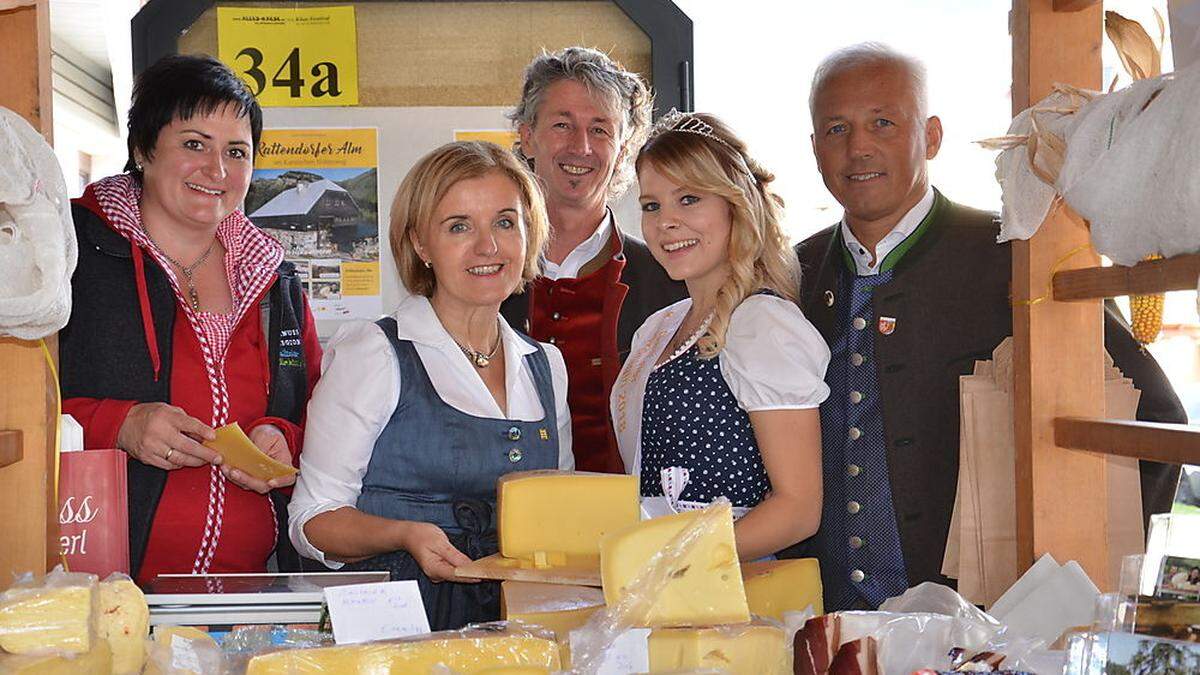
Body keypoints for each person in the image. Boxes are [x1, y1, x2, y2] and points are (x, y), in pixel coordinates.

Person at [787, 42, 1186, 611]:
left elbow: (1153, 416)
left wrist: (1079, 596)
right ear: (814, 148)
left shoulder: (1014, 258)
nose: (859, 148)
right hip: (825, 617)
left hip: (982, 629)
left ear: (931, 136)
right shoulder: (791, 273)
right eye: (836, 128)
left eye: (883, 122)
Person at [289, 141, 573, 630]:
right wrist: (402, 534)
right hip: (396, 632)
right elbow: (312, 520)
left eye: (505, 222)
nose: (488, 246)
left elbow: (558, 515)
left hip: (513, 634)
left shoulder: (545, 364)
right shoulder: (375, 353)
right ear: (421, 244)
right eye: (459, 226)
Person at [60, 54, 322, 583]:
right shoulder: (70, 252)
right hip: (98, 587)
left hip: (257, 589)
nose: (217, 171)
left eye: (237, 152)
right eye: (194, 144)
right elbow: (16, 401)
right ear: (143, 149)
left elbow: (315, 398)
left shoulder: (277, 279)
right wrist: (118, 425)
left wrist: (283, 435)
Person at [610, 112, 829, 560]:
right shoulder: (661, 326)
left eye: (688, 199)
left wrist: (675, 562)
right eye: (651, 205)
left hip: (736, 586)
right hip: (665, 579)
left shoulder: (762, 324)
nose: (666, 222)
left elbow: (799, 509)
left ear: (737, 204)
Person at [502, 46, 686, 474]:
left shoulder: (672, 282)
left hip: (636, 526)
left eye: (600, 130)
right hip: (502, 525)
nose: (580, 146)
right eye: (562, 124)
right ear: (528, 137)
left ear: (623, 150)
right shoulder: (483, 274)